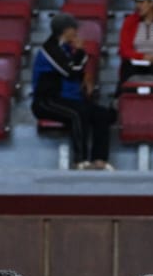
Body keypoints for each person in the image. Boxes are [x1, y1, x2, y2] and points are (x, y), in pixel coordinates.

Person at [32, 15, 116, 171]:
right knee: (78, 113)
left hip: (68, 99)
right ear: (65, 30)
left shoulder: (66, 49)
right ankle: (80, 160)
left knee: (102, 114)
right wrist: (81, 52)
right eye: (74, 28)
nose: (77, 31)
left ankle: (99, 159)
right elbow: (70, 71)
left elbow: (77, 69)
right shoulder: (49, 50)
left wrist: (81, 60)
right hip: (47, 101)